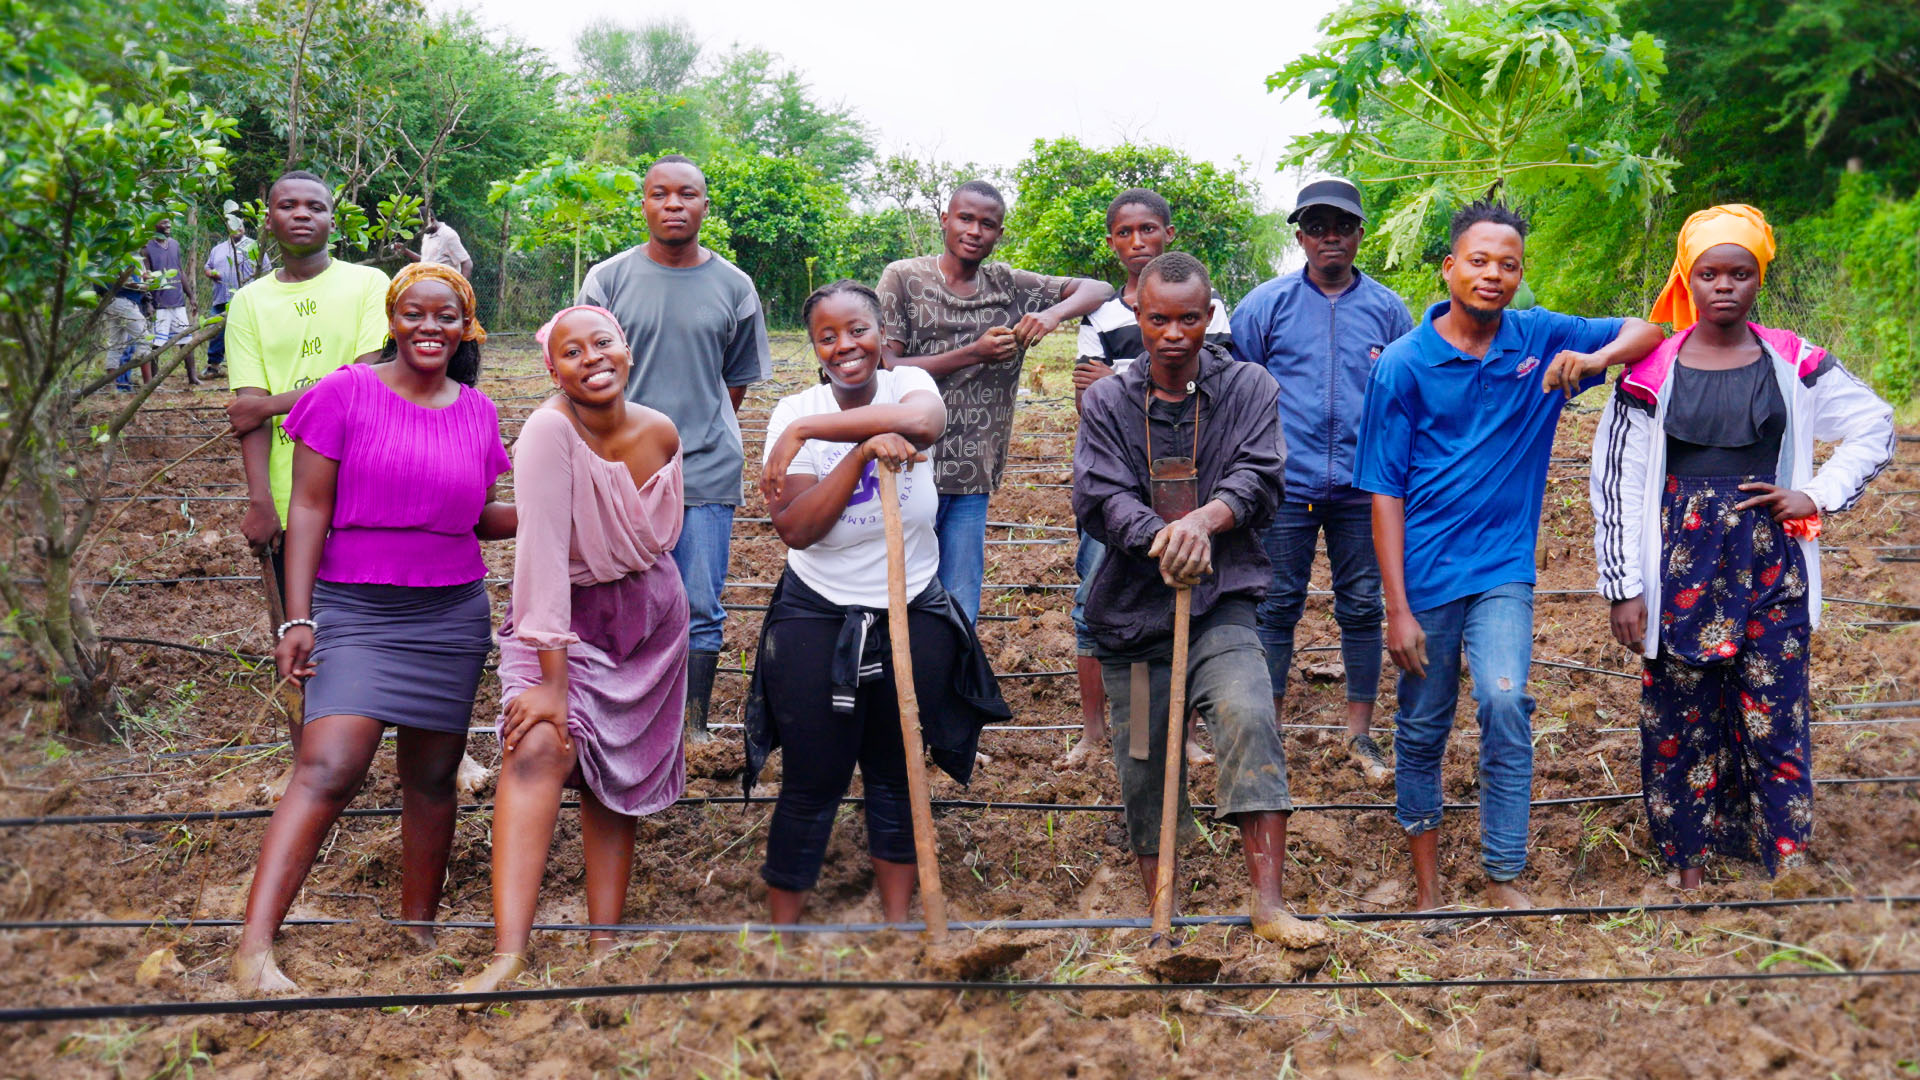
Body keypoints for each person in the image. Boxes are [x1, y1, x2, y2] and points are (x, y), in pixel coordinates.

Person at [1353, 201, 1665, 912]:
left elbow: (1652, 331)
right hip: (1426, 577)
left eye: (1510, 265)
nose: (1494, 275)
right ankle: (1428, 889)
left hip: (1502, 572)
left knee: (1503, 701)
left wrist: (1593, 359)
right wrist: (1396, 610)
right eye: (1480, 260)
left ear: (1521, 275)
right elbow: (1384, 495)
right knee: (1424, 723)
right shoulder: (1404, 365)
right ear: (1450, 268)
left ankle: (1502, 876)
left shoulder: (1540, 337)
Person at [1590, 205, 1892, 888]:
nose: (1724, 285)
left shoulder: (1793, 360)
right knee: (1679, 716)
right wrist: (1624, 586)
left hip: (1770, 562)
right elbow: (1616, 481)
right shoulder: (1650, 373)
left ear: (1759, 280)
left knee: (1775, 713)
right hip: (1678, 567)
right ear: (1687, 280)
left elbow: (1874, 424)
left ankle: (1784, 859)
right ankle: (1688, 860)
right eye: (1709, 273)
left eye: (1740, 273)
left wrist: (1815, 493)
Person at [230, 263, 514, 993]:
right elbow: (310, 511)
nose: (429, 327)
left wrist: (571, 503)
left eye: (445, 316)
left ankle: (417, 931)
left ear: (465, 327)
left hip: (450, 613)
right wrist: (299, 616)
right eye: (414, 314)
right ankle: (254, 948)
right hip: (354, 608)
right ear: (393, 321)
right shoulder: (345, 392)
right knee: (330, 765)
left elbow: (480, 519)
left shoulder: (477, 412)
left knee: (431, 778)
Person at [1072, 252, 1325, 947]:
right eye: (1159, 319)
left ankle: (1268, 904)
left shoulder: (1249, 387)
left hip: (1220, 610)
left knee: (1248, 713)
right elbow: (1099, 495)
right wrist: (1161, 537)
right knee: (1148, 759)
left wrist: (1204, 521)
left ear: (1210, 317)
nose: (1174, 333)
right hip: (1133, 626)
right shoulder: (1107, 401)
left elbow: (1260, 475)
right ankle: (1163, 913)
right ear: (1140, 320)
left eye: (1189, 318)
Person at [744, 280, 1011, 924]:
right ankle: (783, 940)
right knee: (814, 776)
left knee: (896, 770)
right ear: (814, 347)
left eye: (857, 330)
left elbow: (923, 425)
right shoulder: (789, 409)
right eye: (827, 337)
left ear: (881, 331)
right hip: (818, 609)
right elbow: (798, 527)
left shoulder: (910, 386)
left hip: (910, 605)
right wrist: (861, 452)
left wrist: (816, 431)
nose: (845, 347)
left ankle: (897, 925)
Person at [453, 306, 689, 995]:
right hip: (560, 620)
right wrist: (551, 681)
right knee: (538, 750)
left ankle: (603, 943)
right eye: (572, 351)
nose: (591, 359)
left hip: (648, 624)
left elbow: (662, 541)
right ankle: (508, 954)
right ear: (551, 368)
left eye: (603, 343)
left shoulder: (662, 430)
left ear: (628, 350)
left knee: (616, 777)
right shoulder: (548, 431)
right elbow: (544, 558)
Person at [577, 154, 772, 745]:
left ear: (704, 206)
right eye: (660, 194)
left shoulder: (735, 286)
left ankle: (693, 728)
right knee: (616, 594)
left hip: (704, 467)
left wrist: (697, 438)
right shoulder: (607, 281)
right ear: (644, 204)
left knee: (699, 601)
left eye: (687, 195)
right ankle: (622, 715)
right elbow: (584, 371)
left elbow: (734, 382)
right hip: (617, 470)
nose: (673, 205)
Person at [1231, 178, 1414, 786]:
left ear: (1360, 234)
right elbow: (1241, 392)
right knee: (1276, 604)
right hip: (1285, 485)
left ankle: (1358, 734)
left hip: (1364, 489)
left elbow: (1405, 398)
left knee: (1361, 607)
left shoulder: (1389, 312)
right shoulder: (1264, 307)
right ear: (1301, 236)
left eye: (1342, 225)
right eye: (1316, 226)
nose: (1329, 237)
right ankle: (1269, 731)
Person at [879, 180, 1114, 624]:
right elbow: (886, 365)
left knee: (961, 593)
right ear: (945, 220)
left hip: (973, 468)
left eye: (987, 224)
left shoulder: (1008, 284)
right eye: (965, 219)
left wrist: (1050, 314)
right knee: (903, 582)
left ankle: (952, 684)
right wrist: (974, 353)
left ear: (999, 234)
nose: (974, 231)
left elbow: (1098, 288)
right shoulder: (904, 277)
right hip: (909, 460)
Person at [1058, 188, 1229, 772]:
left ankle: (1181, 732)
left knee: (1194, 593)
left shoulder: (1211, 303)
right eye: (1126, 233)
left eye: (1149, 230)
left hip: (1195, 484)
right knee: (1106, 598)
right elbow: (1092, 399)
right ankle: (1107, 732)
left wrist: (1122, 373)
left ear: (1168, 235)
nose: (1138, 242)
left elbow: (1212, 382)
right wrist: (1128, 380)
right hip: (1119, 485)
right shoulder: (1099, 316)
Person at [224, 170, 389, 758]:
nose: (301, 214)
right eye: (287, 205)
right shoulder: (248, 302)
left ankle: (409, 741)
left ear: (331, 220)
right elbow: (248, 417)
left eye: (314, 206)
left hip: (368, 483)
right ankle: (310, 761)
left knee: (382, 619)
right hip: (292, 496)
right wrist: (260, 502)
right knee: (298, 628)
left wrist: (268, 403)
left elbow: (363, 376)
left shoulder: (370, 285)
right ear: (267, 219)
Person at [204, 220, 272, 379]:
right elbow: (207, 267)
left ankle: (253, 368)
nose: (238, 229)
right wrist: (211, 273)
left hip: (247, 299)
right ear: (228, 229)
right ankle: (213, 367)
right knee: (217, 332)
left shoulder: (253, 246)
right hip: (221, 298)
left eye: (240, 226)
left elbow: (266, 269)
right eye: (234, 226)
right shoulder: (218, 249)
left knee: (249, 333)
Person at [143, 216, 198, 385]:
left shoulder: (174, 244)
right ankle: (155, 382)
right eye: (163, 221)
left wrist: (191, 296)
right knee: (157, 344)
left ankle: (192, 377)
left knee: (186, 341)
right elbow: (145, 277)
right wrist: (148, 302)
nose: (168, 224)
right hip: (159, 303)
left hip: (177, 301)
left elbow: (179, 270)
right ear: (154, 224)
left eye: (168, 221)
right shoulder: (146, 248)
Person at [391, 207, 474, 280]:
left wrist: (462, 285)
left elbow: (467, 262)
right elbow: (426, 261)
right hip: (426, 279)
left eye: (422, 226)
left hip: (445, 282)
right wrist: (405, 251)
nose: (420, 230)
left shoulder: (448, 235)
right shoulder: (427, 235)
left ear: (432, 220)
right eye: (419, 227)